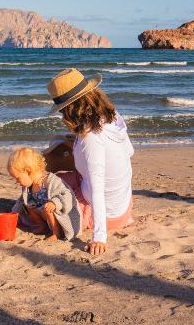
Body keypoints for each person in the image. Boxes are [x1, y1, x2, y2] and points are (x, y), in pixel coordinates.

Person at [45, 68, 134, 255]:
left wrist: (99, 238)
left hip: (105, 213)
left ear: (70, 108)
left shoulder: (91, 138)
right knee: (58, 152)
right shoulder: (112, 117)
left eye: (63, 111)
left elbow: (97, 188)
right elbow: (129, 151)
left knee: (45, 191)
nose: (62, 116)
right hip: (124, 204)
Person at [7, 147, 80, 241]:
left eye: (17, 178)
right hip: (43, 214)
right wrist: (14, 213)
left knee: (47, 209)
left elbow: (66, 194)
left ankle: (56, 233)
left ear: (28, 171)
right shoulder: (28, 186)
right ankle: (41, 226)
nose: (16, 181)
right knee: (29, 206)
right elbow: (21, 201)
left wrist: (55, 203)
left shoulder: (51, 181)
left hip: (56, 214)